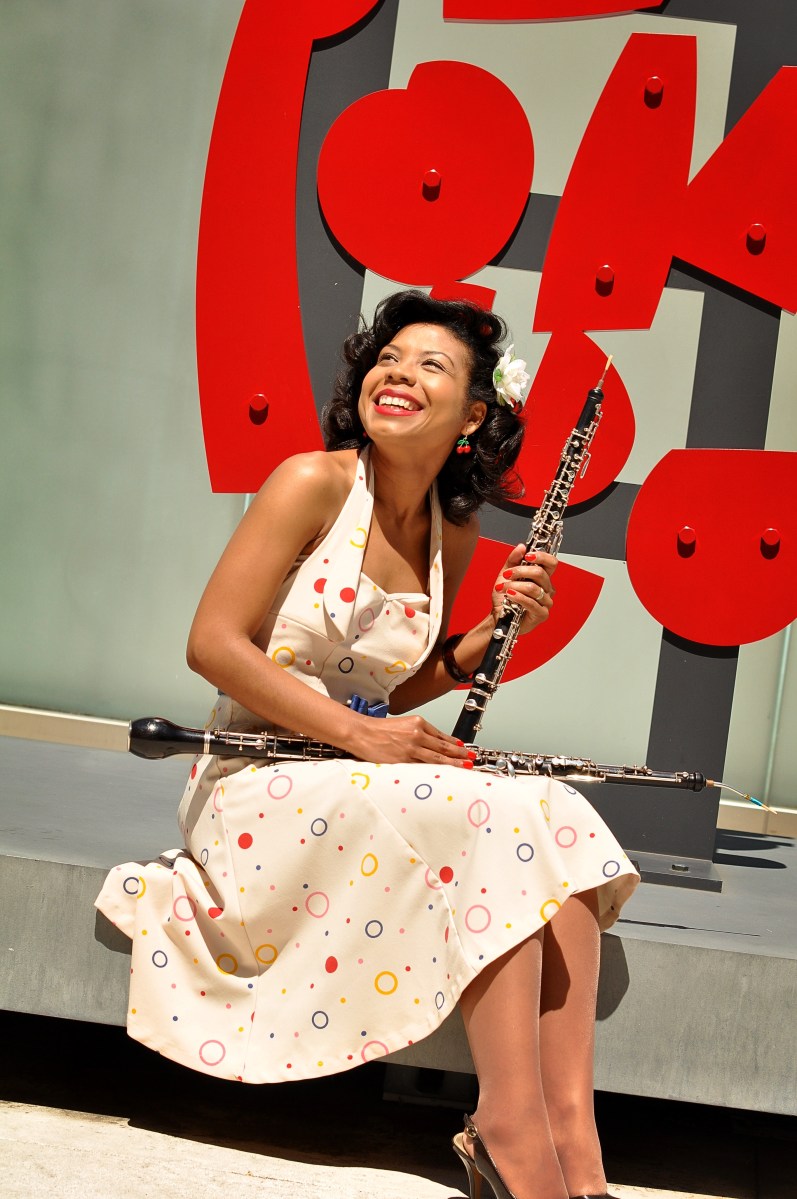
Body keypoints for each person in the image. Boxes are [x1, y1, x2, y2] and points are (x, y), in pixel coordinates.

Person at [96, 290, 638, 1199]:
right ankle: (508, 1130)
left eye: (431, 365)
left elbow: (389, 682)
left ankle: (573, 1144)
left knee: (558, 810)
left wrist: (480, 639)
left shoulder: (452, 530)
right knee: (489, 815)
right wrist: (360, 734)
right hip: (255, 784)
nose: (398, 373)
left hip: (352, 782)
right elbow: (212, 644)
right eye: (389, 357)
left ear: (474, 416)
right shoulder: (311, 481)